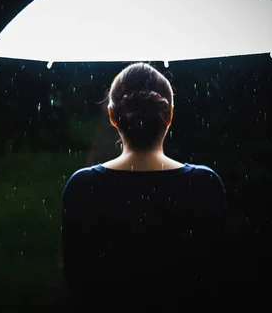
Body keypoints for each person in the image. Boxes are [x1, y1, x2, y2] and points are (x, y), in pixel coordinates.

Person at [61, 62, 228, 310]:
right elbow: (214, 279)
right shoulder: (205, 185)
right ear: (169, 115)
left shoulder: (83, 187)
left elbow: (77, 281)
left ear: (112, 116)